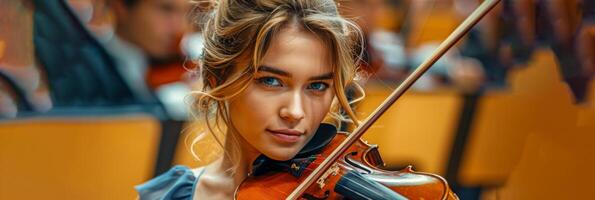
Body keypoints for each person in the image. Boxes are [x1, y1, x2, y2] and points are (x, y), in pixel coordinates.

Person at [134, 0, 364, 199]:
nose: (295, 112)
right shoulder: (168, 195)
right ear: (217, 77)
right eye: (271, 81)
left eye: (317, 86)